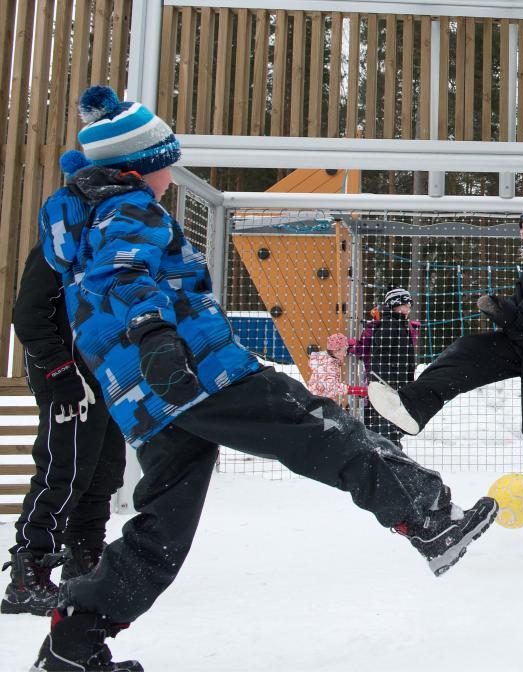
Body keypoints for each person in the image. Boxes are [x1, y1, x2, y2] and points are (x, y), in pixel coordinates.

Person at [28, 86, 497, 671]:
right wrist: (155, 339)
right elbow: (125, 279)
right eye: (164, 166)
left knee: (163, 527)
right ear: (138, 167)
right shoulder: (127, 207)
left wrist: (151, 352)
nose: (170, 178)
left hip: (147, 397)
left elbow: (106, 287)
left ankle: (75, 642)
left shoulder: (92, 213)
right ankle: (428, 517)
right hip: (192, 369)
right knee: (318, 427)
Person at [369, 203, 523, 550]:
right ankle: (413, 406)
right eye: (521, 225)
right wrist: (504, 312)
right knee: (470, 350)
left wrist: (514, 310)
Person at [4, 223, 126, 616]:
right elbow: (29, 315)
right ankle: (29, 575)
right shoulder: (60, 244)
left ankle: (83, 564)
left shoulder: (122, 245)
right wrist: (60, 371)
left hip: (106, 373)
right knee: (64, 471)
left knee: (104, 472)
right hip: (69, 377)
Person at [348, 288, 420, 444]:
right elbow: (380, 355)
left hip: (396, 385)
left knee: (391, 425)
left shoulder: (401, 325)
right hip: (387, 385)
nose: (409, 308)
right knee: (384, 426)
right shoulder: (389, 325)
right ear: (396, 305)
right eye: (406, 304)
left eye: (410, 304)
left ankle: (388, 452)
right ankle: (386, 454)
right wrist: (388, 382)